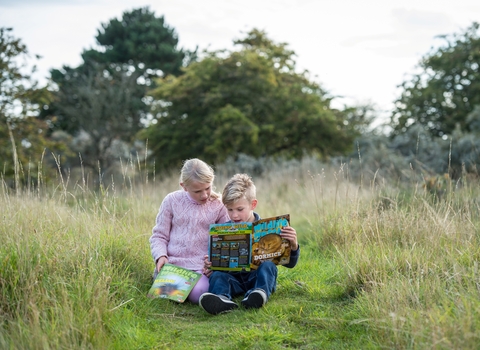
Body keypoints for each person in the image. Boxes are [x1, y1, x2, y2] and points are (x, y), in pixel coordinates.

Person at [199, 173, 300, 315]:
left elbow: (290, 264)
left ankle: (259, 294)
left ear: (253, 204)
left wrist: (293, 246)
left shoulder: (269, 228)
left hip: (257, 278)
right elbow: (218, 264)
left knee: (268, 266)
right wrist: (212, 265)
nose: (234, 216)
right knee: (217, 277)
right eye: (230, 209)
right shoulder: (224, 230)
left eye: (240, 209)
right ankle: (221, 299)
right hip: (233, 280)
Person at [149, 158, 230, 304]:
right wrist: (161, 256)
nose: (204, 195)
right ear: (184, 186)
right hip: (174, 265)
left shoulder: (218, 205)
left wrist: (214, 263)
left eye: (208, 188)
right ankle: (170, 288)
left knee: (201, 291)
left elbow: (225, 241)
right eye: (197, 191)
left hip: (201, 267)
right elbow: (159, 236)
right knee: (177, 292)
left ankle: (178, 292)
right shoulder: (171, 201)